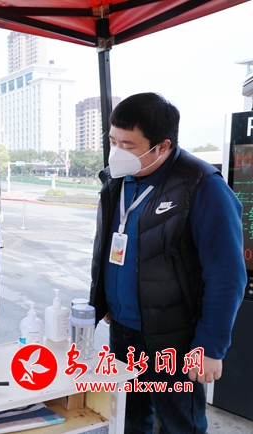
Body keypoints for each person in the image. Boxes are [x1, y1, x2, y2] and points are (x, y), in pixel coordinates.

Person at [89, 92, 246, 433]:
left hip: (176, 336)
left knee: (179, 423)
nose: (117, 152)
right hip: (124, 330)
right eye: (113, 141)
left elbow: (227, 276)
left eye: (128, 145)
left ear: (162, 146)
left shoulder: (202, 186)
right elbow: (106, 246)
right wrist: (102, 299)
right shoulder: (116, 180)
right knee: (128, 418)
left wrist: (210, 348)